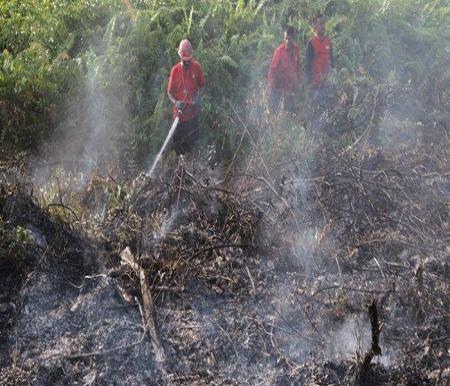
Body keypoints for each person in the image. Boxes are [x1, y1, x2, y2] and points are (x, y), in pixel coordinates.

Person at [167, 39, 206, 154]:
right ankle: (179, 168)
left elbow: (203, 86)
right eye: (185, 61)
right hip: (179, 117)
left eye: (189, 60)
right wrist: (176, 103)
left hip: (192, 115)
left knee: (192, 148)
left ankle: (191, 168)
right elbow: (169, 93)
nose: (187, 63)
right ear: (180, 56)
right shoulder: (175, 71)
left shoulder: (197, 67)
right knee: (177, 149)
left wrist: (198, 97)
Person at [267, 26, 302, 113]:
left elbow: (298, 68)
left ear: (293, 38)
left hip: (290, 88)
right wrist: (273, 88)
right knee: (275, 113)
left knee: (289, 113)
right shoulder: (279, 52)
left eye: (289, 39)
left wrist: (300, 83)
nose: (287, 41)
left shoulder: (296, 50)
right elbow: (272, 70)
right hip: (278, 88)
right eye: (285, 38)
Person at [306, 13, 333, 92]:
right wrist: (309, 82)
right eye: (321, 24)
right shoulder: (311, 43)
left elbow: (332, 60)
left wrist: (332, 77)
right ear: (315, 26)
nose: (323, 26)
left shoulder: (328, 41)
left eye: (324, 23)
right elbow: (308, 65)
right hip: (315, 86)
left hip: (327, 85)